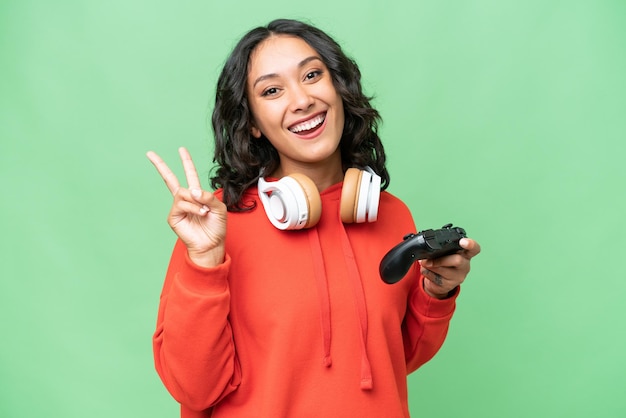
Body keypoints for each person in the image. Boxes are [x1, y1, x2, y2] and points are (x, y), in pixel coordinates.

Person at [147, 18, 481, 418]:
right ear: (252, 123)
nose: (301, 99)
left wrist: (437, 294)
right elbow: (194, 389)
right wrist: (203, 263)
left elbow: (395, 360)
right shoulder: (217, 224)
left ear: (339, 88)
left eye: (312, 75)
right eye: (272, 90)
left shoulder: (389, 214)